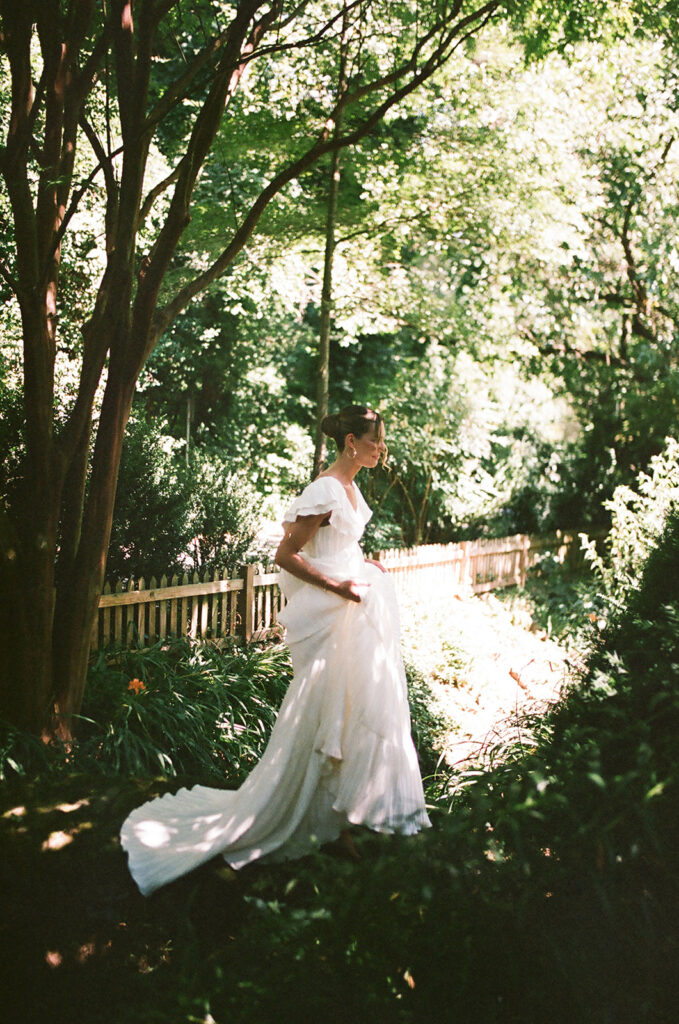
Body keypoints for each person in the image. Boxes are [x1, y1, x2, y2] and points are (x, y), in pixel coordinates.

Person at [120, 405, 430, 896]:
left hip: (356, 607)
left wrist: (363, 565)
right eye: (376, 441)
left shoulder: (351, 487)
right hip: (333, 611)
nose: (381, 448)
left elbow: (336, 546)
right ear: (352, 441)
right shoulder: (325, 489)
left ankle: (342, 819)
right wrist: (341, 586)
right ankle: (311, 816)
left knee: (356, 710)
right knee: (323, 713)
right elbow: (286, 556)